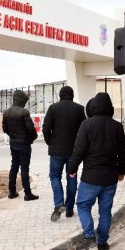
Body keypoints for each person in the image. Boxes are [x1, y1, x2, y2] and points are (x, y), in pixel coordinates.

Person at [68, 92, 125, 250]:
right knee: (105, 211)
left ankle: (89, 236)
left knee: (82, 205)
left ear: (93, 107)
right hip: (110, 178)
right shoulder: (117, 126)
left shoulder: (87, 125)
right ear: (110, 107)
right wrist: (121, 172)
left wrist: (71, 169)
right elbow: (123, 152)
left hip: (90, 178)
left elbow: (79, 150)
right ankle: (102, 243)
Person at [42, 85, 86, 221]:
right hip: (73, 151)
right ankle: (69, 209)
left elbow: (45, 128)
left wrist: (50, 142)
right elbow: (84, 130)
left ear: (60, 95)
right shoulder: (79, 109)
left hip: (56, 151)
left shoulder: (53, 108)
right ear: (72, 95)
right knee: (71, 177)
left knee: (55, 177)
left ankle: (59, 203)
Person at [2, 90, 39, 201]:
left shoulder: (6, 112)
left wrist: (13, 136)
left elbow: (5, 129)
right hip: (24, 144)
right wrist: (32, 138)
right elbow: (31, 129)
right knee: (24, 168)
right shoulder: (24, 112)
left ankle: (12, 191)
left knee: (14, 166)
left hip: (13, 143)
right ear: (21, 100)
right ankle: (27, 193)